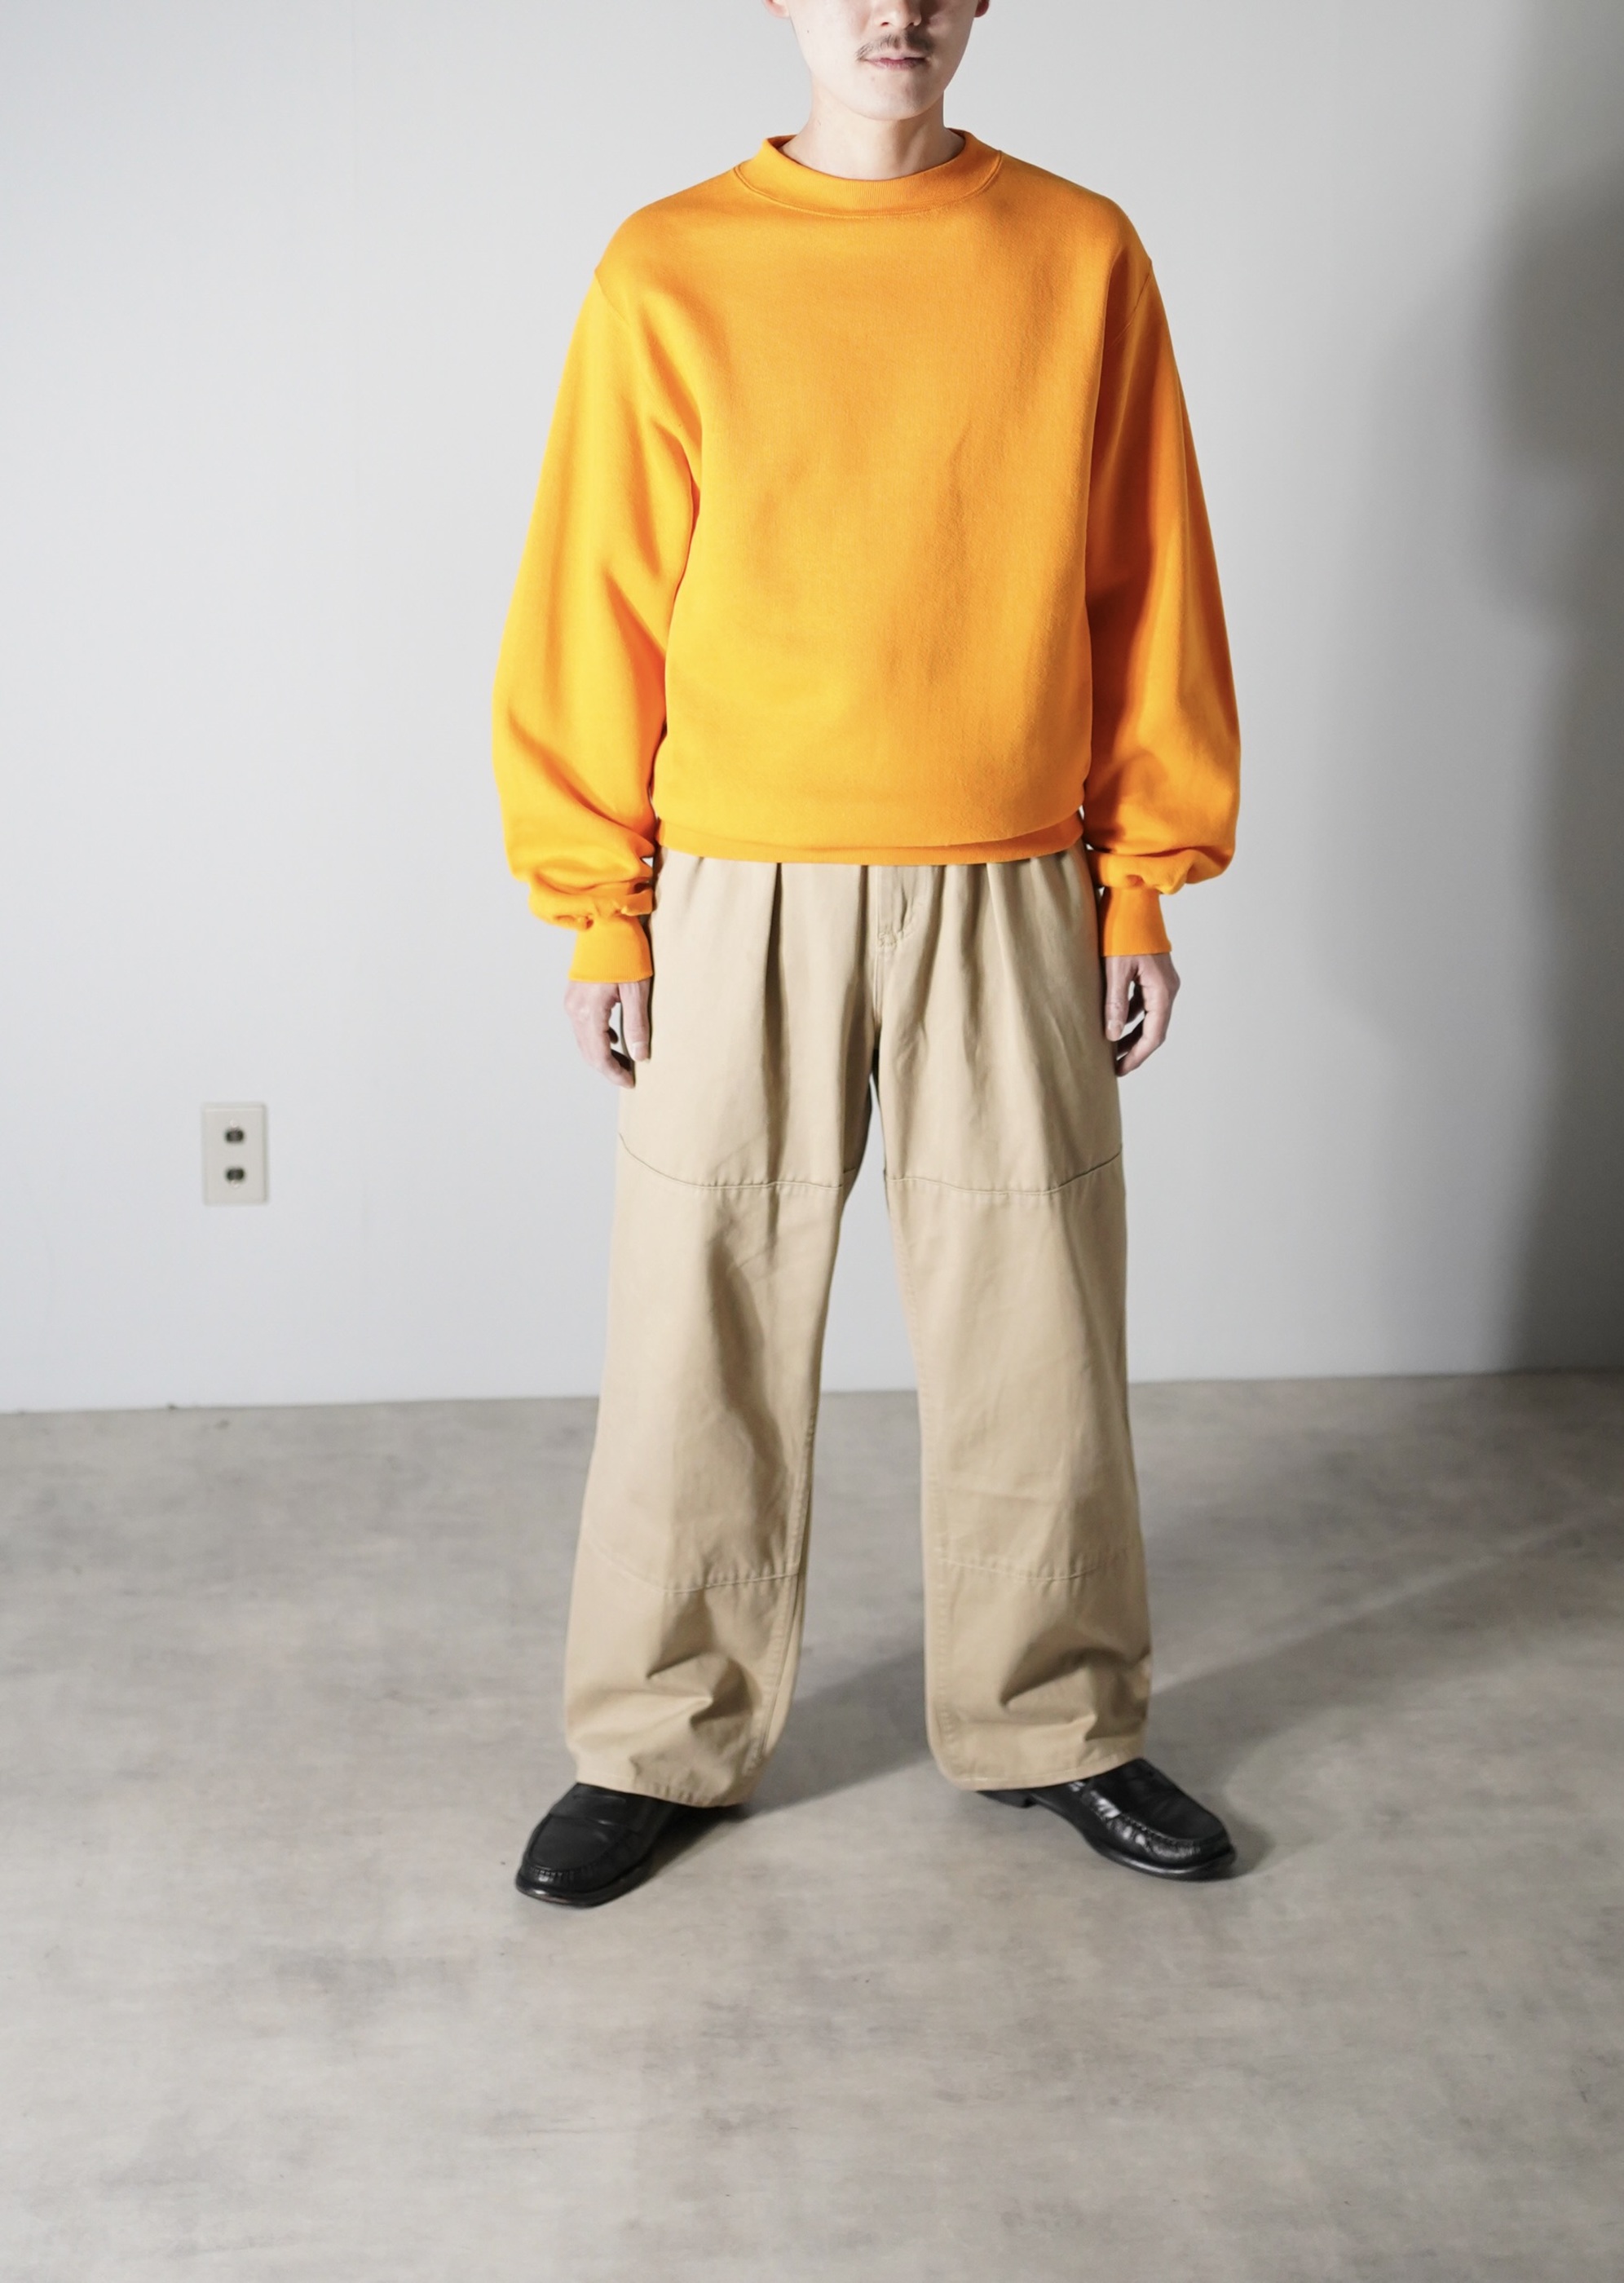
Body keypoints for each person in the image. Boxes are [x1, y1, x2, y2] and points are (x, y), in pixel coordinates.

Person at [492, 0, 1241, 1909]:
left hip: (1014, 870)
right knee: (700, 1311)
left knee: (1035, 1318)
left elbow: (1150, 581)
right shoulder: (674, 265)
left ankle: (1058, 1717)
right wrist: (601, 902)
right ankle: (659, 1734)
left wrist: (1141, 882)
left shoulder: (1078, 254)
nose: (893, 9)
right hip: (738, 879)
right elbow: (592, 597)